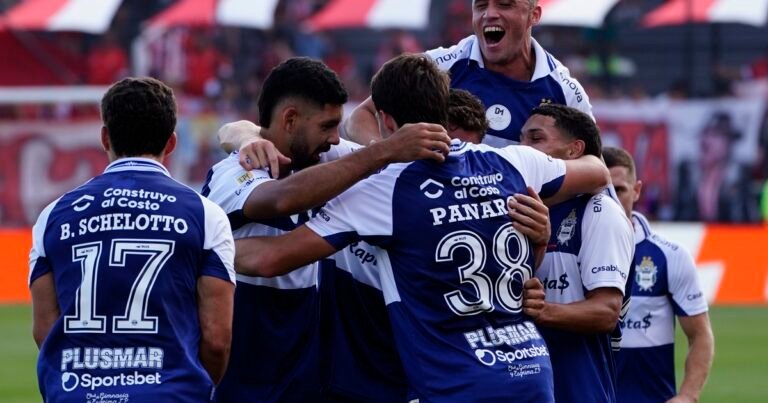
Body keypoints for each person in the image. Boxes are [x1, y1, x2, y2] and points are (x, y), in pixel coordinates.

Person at [232, 53, 611, 402]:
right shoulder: (515, 162)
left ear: (386, 120)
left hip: (456, 384)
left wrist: (204, 244)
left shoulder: (382, 189)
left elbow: (271, 258)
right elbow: (598, 170)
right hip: (531, 373)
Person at [202, 57, 451, 403]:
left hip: (307, 380)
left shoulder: (324, 159)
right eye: (327, 126)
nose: (336, 139)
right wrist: (384, 150)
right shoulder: (233, 172)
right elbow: (279, 200)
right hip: (246, 380)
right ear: (290, 120)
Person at [29, 77, 236, 402]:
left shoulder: (52, 216)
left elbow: (45, 330)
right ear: (171, 142)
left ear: (104, 137)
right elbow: (216, 339)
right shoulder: (205, 215)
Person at [344, 0, 592, 147]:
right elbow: (362, 115)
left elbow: (594, 168)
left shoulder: (564, 89)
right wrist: (387, 155)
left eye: (505, 4)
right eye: (481, 5)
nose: (490, 13)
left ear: (533, 15)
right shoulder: (440, 65)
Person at [516, 104, 634, 402]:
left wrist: (543, 311)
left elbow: (606, 312)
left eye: (535, 138)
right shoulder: (522, 209)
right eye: (521, 139)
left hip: (578, 390)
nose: (522, 148)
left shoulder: (598, 211)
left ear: (574, 151)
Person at [604, 146, 715, 403]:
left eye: (619, 189)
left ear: (637, 190)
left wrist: (688, 395)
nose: (610, 198)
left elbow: (700, 334)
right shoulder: (570, 252)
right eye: (603, 190)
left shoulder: (669, 256)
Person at [674, 111, 759, 222]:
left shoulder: (740, 174)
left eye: (715, 135)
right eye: (705, 133)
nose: (706, 141)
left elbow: (744, 217)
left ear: (729, 142)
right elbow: (681, 216)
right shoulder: (688, 172)